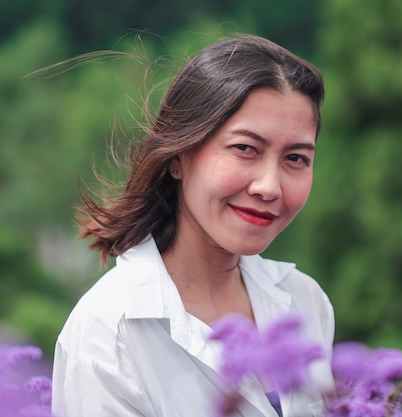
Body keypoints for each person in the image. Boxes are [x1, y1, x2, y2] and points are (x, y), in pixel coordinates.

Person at [51, 34, 335, 417]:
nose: (269, 186)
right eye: (245, 149)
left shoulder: (305, 302)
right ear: (179, 155)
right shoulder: (109, 333)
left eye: (296, 158)